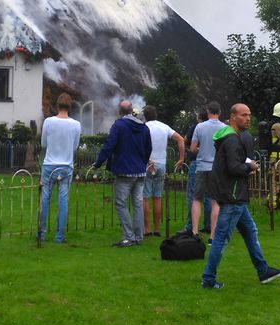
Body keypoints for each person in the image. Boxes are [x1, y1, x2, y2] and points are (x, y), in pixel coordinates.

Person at [201, 103, 280, 289]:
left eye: (249, 115)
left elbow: (231, 166)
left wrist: (246, 167)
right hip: (233, 196)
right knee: (221, 239)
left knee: (250, 231)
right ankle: (208, 279)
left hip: (235, 194)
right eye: (243, 115)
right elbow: (234, 168)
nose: (248, 118)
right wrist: (250, 167)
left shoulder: (230, 136)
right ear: (233, 117)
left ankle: (263, 270)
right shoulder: (232, 139)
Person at [92, 100, 152, 247]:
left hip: (125, 171)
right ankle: (138, 236)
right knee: (137, 204)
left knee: (120, 203)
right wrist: (142, 162)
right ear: (132, 111)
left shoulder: (119, 125)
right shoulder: (144, 128)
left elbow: (109, 145)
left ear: (119, 112)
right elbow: (148, 148)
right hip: (140, 172)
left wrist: (98, 162)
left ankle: (128, 237)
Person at [39, 93, 82, 243]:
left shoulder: (48, 122)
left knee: (45, 199)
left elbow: (43, 143)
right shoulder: (76, 124)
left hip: (49, 165)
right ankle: (59, 236)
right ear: (70, 107)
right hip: (66, 166)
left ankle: (42, 233)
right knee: (63, 200)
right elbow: (75, 146)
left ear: (57, 105)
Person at [142, 105, 185, 238]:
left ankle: (147, 229)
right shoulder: (164, 127)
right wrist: (181, 158)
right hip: (161, 163)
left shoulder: (144, 128)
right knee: (157, 197)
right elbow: (180, 139)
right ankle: (156, 229)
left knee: (145, 198)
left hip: (148, 163)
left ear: (145, 116)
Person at [188, 101, 224, 243]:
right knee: (215, 202)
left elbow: (192, 149)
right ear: (219, 112)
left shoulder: (199, 127)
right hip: (216, 168)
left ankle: (195, 232)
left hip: (202, 166)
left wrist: (201, 150)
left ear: (208, 112)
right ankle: (212, 236)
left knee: (197, 199)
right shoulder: (224, 128)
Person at [178, 108, 204, 234]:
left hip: (196, 162)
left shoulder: (196, 127)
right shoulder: (217, 127)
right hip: (211, 164)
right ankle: (209, 225)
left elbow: (186, 140)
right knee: (210, 196)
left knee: (193, 195)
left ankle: (191, 226)